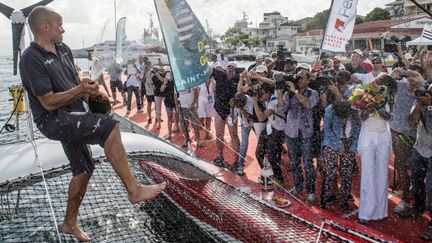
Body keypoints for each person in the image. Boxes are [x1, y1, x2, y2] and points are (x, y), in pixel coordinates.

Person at [19, 7, 166, 242]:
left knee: (83, 170)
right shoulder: (30, 59)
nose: (63, 29)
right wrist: (79, 90)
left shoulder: (64, 50)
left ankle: (69, 223)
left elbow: (75, 82)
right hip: (53, 120)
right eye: (59, 25)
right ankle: (134, 189)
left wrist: (90, 94)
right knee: (109, 126)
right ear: (44, 27)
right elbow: (47, 103)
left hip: (74, 114)